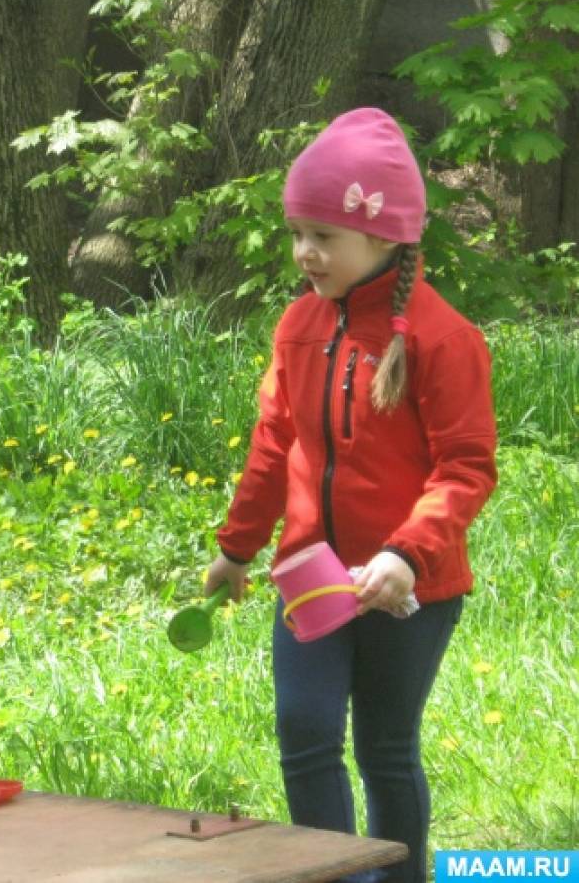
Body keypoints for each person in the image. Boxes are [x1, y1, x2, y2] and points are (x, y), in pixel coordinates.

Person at [204, 108, 497, 883]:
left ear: (383, 237)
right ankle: (332, 876)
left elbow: (466, 468)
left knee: (385, 750)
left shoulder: (441, 338)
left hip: (410, 588)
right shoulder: (297, 325)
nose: (304, 252)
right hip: (310, 577)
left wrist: (407, 552)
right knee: (303, 732)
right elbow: (274, 443)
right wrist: (236, 549)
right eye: (297, 231)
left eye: (323, 235)